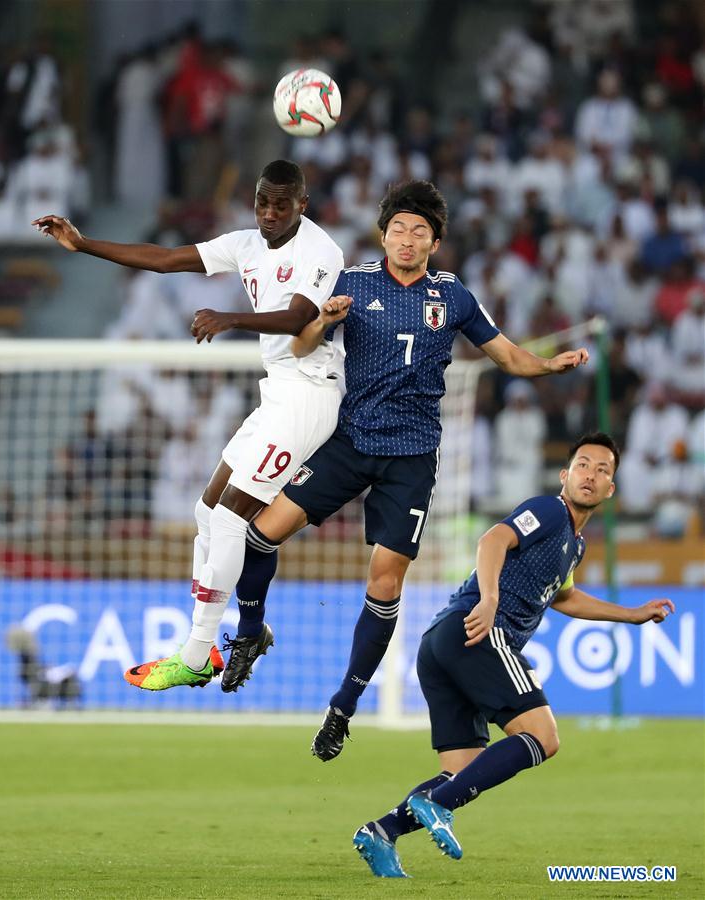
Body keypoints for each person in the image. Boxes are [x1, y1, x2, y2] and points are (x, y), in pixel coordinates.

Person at [192, 180, 590, 757]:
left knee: (384, 583)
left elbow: (503, 354)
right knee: (258, 531)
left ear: (434, 242)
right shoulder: (351, 282)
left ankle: (342, 708)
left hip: (411, 458)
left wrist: (549, 366)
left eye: (419, 231)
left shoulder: (452, 296)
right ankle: (250, 632)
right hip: (349, 441)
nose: (407, 239)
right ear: (384, 235)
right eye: (399, 228)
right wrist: (322, 321)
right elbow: (302, 347)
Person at [32, 159, 346, 690]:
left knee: (230, 520)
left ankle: (199, 652)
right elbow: (165, 258)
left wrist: (230, 319)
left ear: (302, 205)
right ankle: (218, 641)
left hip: (311, 395)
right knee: (207, 509)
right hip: (278, 393)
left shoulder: (321, 250)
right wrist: (84, 244)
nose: (270, 214)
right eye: (263, 202)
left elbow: (299, 318)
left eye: (282, 204)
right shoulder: (246, 245)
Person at [352, 432, 674, 878]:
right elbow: (492, 540)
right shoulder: (548, 510)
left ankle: (382, 832)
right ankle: (437, 804)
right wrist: (488, 599)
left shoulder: (574, 545)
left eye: (602, 470)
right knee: (544, 736)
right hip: (478, 630)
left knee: (462, 771)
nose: (591, 475)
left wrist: (631, 614)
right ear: (565, 475)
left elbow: (565, 598)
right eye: (583, 464)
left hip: (442, 644)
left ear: (611, 489)